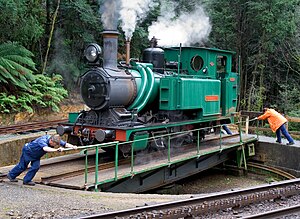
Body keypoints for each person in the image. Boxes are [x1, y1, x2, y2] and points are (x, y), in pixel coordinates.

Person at [7, 134, 78, 186]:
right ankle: (11, 175)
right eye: (54, 144)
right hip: (28, 152)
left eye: (56, 144)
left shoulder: (56, 139)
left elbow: (65, 144)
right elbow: (45, 148)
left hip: (36, 155)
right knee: (22, 166)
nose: (55, 145)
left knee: (35, 167)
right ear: (51, 140)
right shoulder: (43, 140)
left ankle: (26, 180)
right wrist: (56, 150)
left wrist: (73, 146)